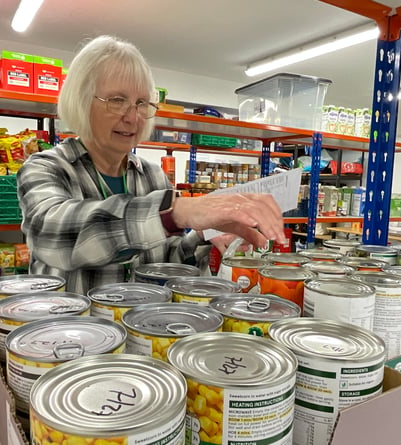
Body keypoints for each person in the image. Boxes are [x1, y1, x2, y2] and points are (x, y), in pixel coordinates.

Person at [17, 35, 286, 294]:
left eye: (142, 103)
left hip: (141, 333)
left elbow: (164, 262)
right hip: (68, 335)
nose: (133, 117)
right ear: (82, 100)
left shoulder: (153, 176)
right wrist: (173, 212)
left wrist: (203, 236)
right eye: (117, 100)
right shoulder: (45, 168)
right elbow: (54, 235)